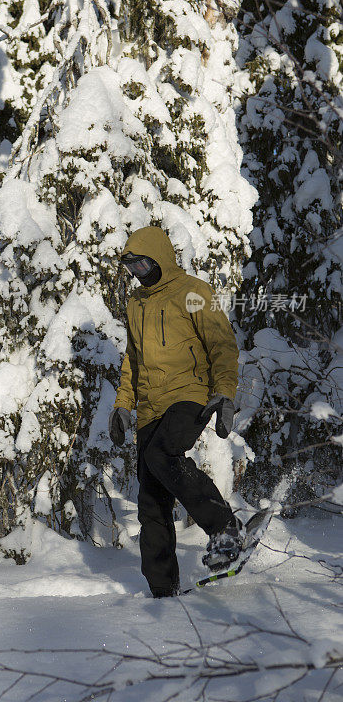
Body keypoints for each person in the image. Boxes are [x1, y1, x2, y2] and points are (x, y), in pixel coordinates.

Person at [109, 226, 243, 598]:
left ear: (160, 257)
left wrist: (224, 394)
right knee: (151, 499)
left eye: (142, 263)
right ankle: (163, 591)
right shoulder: (135, 304)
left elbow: (222, 344)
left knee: (162, 453)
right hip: (151, 408)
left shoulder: (196, 292)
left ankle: (225, 526)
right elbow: (132, 361)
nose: (137, 272)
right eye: (131, 267)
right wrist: (123, 405)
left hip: (190, 394)